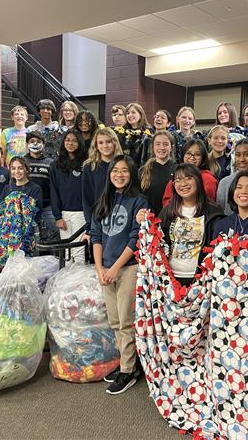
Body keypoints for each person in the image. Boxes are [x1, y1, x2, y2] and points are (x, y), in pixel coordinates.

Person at [91, 155, 149, 395]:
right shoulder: (104, 199)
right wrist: (100, 268)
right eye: (115, 170)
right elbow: (96, 235)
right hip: (106, 269)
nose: (119, 175)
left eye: (125, 171)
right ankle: (127, 364)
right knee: (114, 321)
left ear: (131, 174)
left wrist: (115, 268)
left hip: (127, 268)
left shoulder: (139, 201)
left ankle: (128, 370)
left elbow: (136, 238)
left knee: (126, 321)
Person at [137, 163, 224, 286]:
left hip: (202, 278)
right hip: (170, 278)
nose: (183, 184)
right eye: (177, 180)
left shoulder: (214, 212)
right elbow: (157, 240)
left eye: (188, 178)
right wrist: (143, 219)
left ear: (198, 181)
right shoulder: (167, 212)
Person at [50, 130, 87, 262]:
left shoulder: (86, 164)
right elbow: (53, 192)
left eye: (74, 140)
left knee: (78, 252)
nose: (70, 143)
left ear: (80, 143)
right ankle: (66, 282)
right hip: (64, 214)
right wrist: (58, 217)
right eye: (68, 140)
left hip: (81, 214)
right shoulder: (55, 165)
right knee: (66, 254)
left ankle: (78, 282)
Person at [82, 127, 123, 240]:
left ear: (114, 142)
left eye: (108, 141)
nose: (105, 146)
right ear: (96, 145)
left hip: (120, 217)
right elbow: (87, 198)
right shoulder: (89, 167)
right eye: (101, 142)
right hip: (98, 220)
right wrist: (90, 226)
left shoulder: (124, 163)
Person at [25, 131, 59, 242]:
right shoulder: (22, 161)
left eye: (38, 141)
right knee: (28, 237)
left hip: (47, 207)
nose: (35, 144)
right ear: (27, 144)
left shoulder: (51, 163)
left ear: (43, 145)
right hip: (26, 207)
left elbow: (55, 186)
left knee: (53, 233)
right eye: (32, 141)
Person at [162, 139, 218, 206]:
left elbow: (208, 205)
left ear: (203, 158)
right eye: (188, 153)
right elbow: (166, 204)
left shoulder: (208, 179)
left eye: (197, 154)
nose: (192, 157)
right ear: (183, 155)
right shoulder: (175, 177)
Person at [217, 137, 248, 215]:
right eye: (238, 155)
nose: (242, 159)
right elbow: (220, 213)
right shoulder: (224, 183)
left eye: (247, 155)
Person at [139, 130, 177, 215]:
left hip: (172, 217)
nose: (162, 147)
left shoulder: (178, 170)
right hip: (149, 219)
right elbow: (139, 198)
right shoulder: (143, 171)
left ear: (172, 147)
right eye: (158, 144)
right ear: (152, 147)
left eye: (166, 144)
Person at [0, 156, 43, 224]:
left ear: (27, 170)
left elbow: (36, 212)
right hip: (8, 229)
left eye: (20, 168)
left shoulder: (35, 189)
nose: (17, 171)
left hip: (28, 229)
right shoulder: (7, 188)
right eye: (13, 168)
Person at [120, 102, 151, 166]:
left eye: (133, 112)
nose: (130, 115)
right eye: (128, 113)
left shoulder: (148, 132)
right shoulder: (123, 132)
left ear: (140, 114)